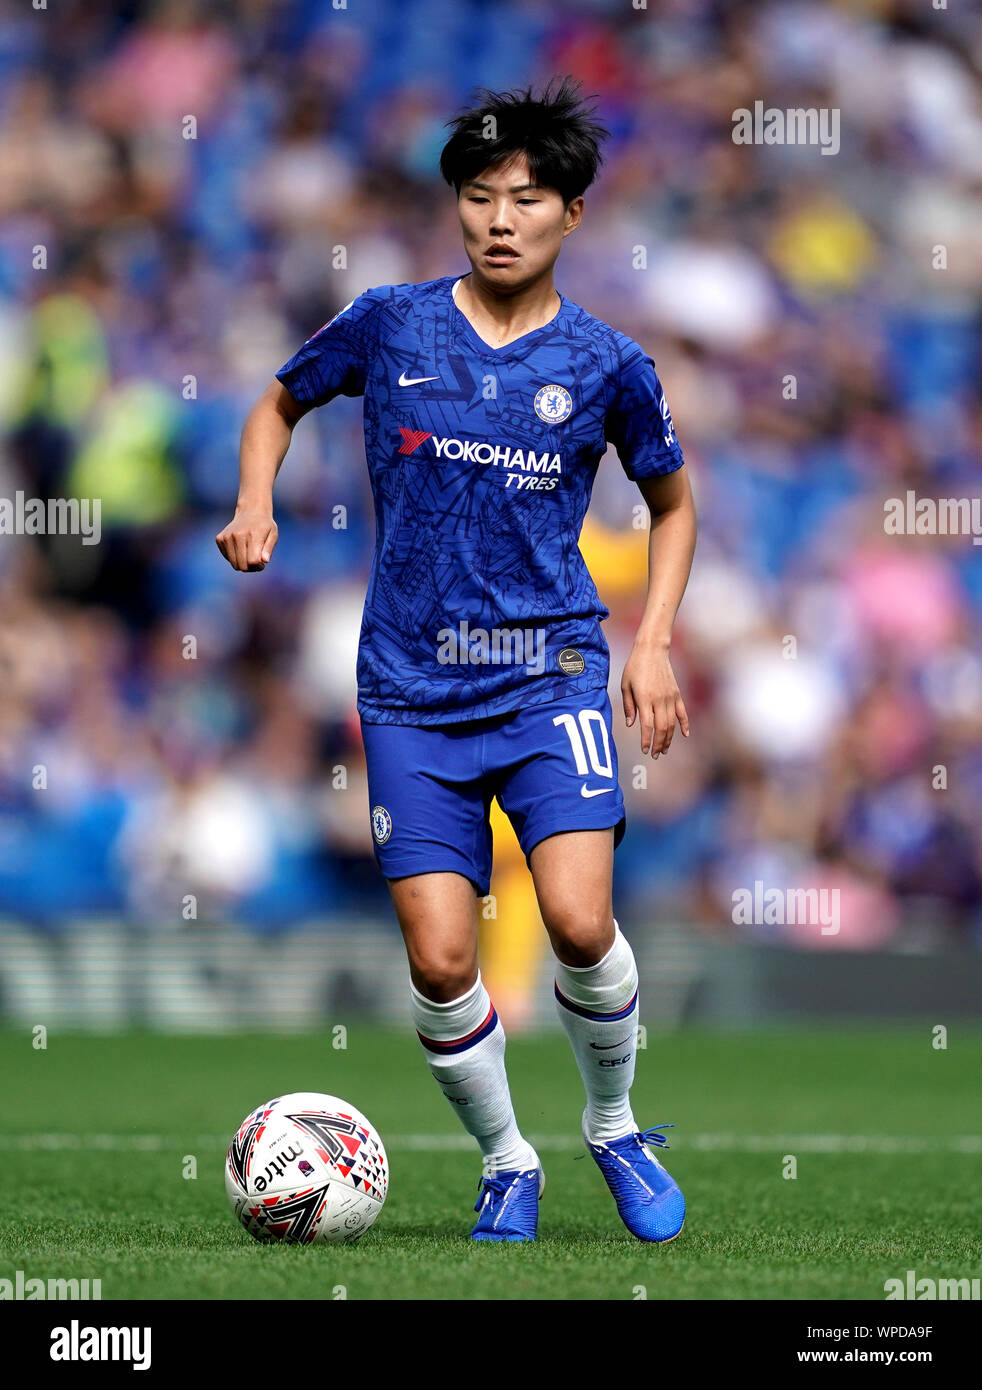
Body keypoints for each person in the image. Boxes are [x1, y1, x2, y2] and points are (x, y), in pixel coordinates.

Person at [217, 78, 697, 1243]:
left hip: (550, 678)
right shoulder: (390, 322)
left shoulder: (608, 363)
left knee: (580, 922)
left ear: (570, 215)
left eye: (525, 199)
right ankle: (505, 1158)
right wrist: (253, 502)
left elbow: (672, 504)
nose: (497, 217)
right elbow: (277, 404)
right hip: (410, 693)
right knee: (441, 960)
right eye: (478, 195)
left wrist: (655, 643)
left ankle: (615, 1121)